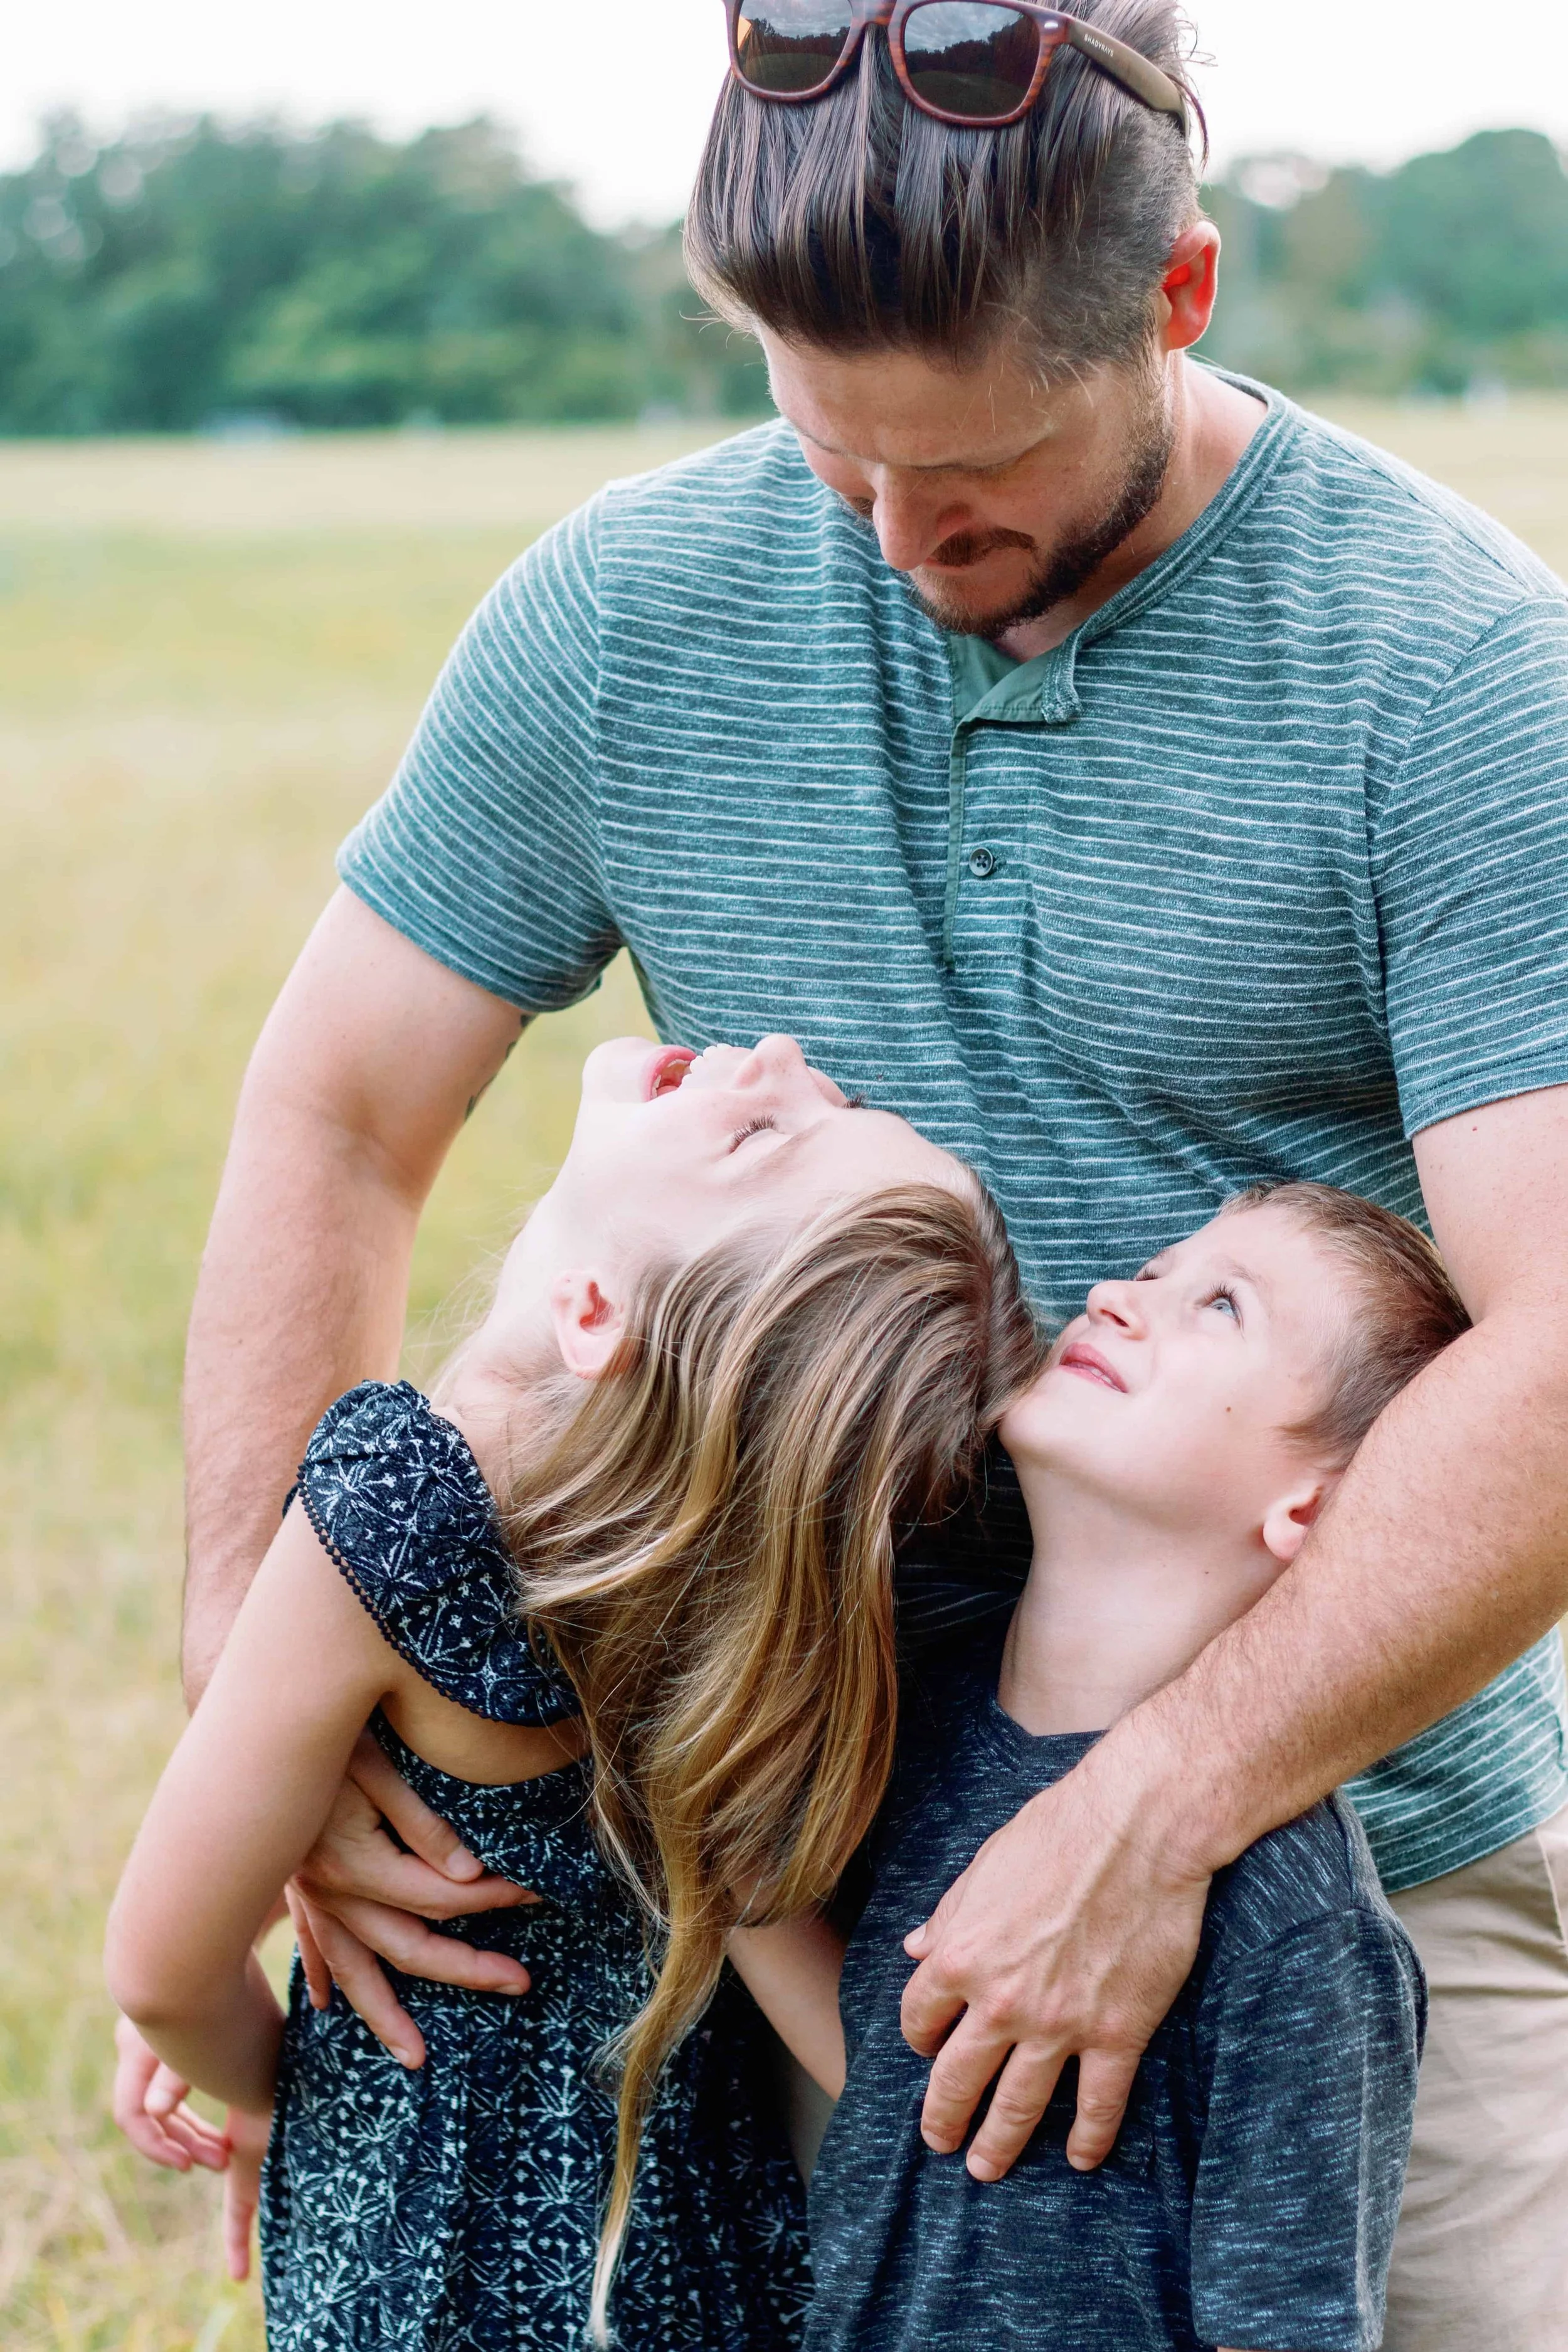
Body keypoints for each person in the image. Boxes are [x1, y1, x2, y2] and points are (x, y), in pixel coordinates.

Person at [125, 1, 1568, 2341]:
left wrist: (1147, 1812)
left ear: (1180, 297)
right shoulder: (624, 608)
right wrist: (263, 1694)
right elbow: (339, 1117)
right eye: (832, 457)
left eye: (978, 472)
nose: (899, 544)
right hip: (779, 1872)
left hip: (1353, 1886)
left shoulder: (1458, 676)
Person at [105, 1034, 1040, 2347]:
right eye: (834, 1098)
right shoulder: (743, 1625)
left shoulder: (400, 1514)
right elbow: (851, 2053)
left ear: (595, 1314)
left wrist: (275, 2083)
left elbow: (159, 1969)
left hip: (416, 2251)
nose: (779, 1055)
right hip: (686, 2253)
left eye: (766, 1136)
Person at [734, 1183, 1453, 2352]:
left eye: (1221, 1306)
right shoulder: (920, 1714)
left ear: (1312, 1509)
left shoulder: (1296, 1916)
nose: (1121, 1295)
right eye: (1155, 1269)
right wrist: (723, 1878)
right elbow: (910, 2084)